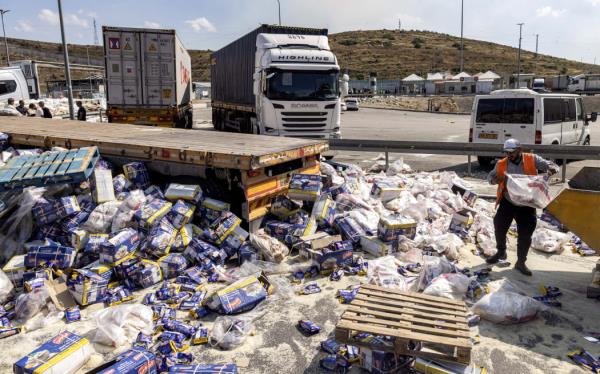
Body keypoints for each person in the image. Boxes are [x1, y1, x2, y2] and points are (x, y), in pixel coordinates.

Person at [487, 138, 559, 276]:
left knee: (525, 235)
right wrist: (493, 180)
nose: (509, 155)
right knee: (499, 227)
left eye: (512, 152)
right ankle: (501, 252)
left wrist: (551, 170)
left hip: (527, 203)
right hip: (508, 202)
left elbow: (553, 166)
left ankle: (521, 262)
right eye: (507, 152)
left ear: (519, 150)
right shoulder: (501, 164)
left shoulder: (532, 159)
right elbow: (490, 176)